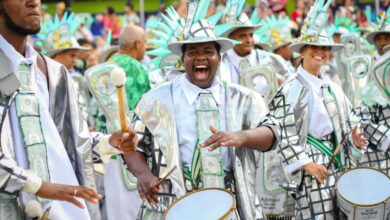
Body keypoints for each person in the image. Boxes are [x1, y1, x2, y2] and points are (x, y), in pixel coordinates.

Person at [118, 17, 281, 219]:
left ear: (220, 58)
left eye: (208, 52)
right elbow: (132, 146)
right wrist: (143, 174)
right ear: (183, 59)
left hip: (229, 203)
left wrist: (241, 137)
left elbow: (271, 133)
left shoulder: (243, 98)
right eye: (193, 52)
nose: (200, 57)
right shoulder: (155, 100)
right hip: (172, 203)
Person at [0, 0, 101, 219]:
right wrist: (39, 186)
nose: (33, 2)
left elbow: (71, 141)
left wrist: (111, 142)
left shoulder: (54, 72)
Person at [268, 0, 367, 219]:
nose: (320, 52)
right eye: (314, 47)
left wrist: (355, 138)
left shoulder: (333, 87)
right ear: (302, 51)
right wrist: (306, 163)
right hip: (311, 168)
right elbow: (278, 130)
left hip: (337, 162)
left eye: (325, 48)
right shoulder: (290, 88)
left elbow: (349, 121)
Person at [86, 24, 151, 220]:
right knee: (134, 207)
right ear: (138, 44)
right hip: (133, 150)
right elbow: (146, 110)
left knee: (115, 207)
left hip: (107, 149)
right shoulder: (136, 68)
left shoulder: (105, 66)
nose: (146, 48)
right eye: (145, 43)